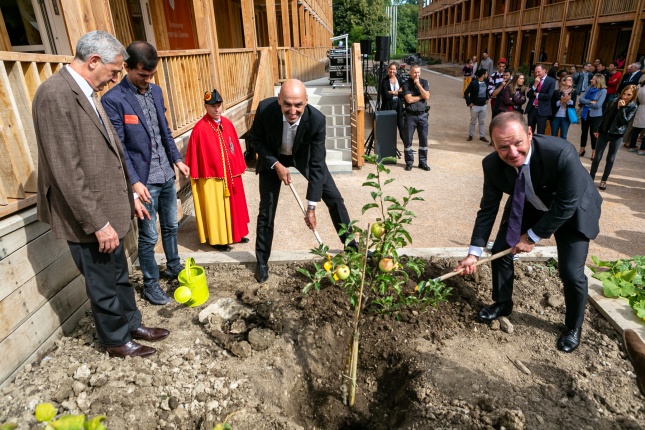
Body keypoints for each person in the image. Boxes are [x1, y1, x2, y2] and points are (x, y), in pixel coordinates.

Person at [32, 31, 170, 358]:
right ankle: (116, 340)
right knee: (102, 283)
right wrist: (96, 222)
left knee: (120, 273)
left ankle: (131, 323)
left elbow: (112, 150)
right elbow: (66, 170)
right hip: (86, 218)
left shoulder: (87, 92)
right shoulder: (55, 95)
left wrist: (130, 193)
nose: (116, 77)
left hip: (110, 206)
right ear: (93, 61)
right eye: (114, 70)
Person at [456, 112, 602, 353]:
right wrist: (474, 252)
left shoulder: (561, 152)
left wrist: (532, 236)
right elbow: (488, 209)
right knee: (502, 251)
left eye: (517, 143)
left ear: (530, 134)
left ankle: (573, 327)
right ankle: (503, 303)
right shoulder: (491, 165)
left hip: (573, 208)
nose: (512, 152)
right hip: (531, 204)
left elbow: (566, 203)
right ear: (493, 145)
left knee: (571, 273)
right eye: (503, 147)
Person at [102, 41, 190, 306]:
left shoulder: (156, 91)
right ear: (127, 67)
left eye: (151, 75)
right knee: (150, 235)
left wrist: (177, 159)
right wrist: (134, 182)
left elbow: (164, 130)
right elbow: (120, 149)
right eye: (142, 75)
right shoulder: (113, 100)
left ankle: (174, 266)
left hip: (165, 174)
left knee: (172, 226)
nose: (147, 80)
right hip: (144, 182)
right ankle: (151, 283)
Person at [247, 79, 354, 284]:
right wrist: (276, 164)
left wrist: (311, 207)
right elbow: (256, 139)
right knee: (266, 210)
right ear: (279, 100)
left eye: (298, 105)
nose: (292, 110)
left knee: (335, 199)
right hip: (273, 157)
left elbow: (316, 164)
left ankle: (351, 247)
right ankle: (262, 262)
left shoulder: (317, 120)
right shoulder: (264, 109)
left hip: (304, 158)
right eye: (287, 104)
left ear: (306, 101)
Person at [185, 89, 250, 250]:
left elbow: (233, 147)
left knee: (235, 203)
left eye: (219, 105)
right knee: (216, 207)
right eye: (212, 106)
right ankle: (218, 239)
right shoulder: (200, 129)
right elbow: (196, 156)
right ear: (206, 107)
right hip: (212, 177)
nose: (216, 109)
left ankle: (236, 233)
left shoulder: (227, 123)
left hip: (231, 175)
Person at [589, 85, 638, 190]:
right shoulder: (614, 100)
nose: (625, 96)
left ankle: (603, 180)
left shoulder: (633, 106)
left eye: (628, 95)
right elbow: (604, 115)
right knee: (597, 157)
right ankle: (590, 178)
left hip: (617, 135)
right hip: (603, 132)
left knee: (610, 159)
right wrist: (597, 128)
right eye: (624, 93)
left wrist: (622, 108)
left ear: (633, 96)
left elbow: (625, 122)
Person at [402, 64, 431, 171]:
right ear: (410, 73)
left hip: (423, 115)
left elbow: (427, 96)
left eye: (418, 72)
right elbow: (409, 100)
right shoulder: (406, 84)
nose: (416, 74)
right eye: (414, 72)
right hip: (410, 116)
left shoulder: (424, 82)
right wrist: (421, 97)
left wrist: (419, 85)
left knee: (423, 140)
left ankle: (423, 163)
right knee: (408, 140)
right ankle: (409, 162)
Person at [578, 74, 607, 159]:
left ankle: (594, 151)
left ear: (598, 80)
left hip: (595, 115)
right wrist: (591, 102)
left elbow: (598, 105)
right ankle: (582, 149)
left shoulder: (603, 91)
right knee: (584, 132)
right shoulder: (589, 88)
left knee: (593, 134)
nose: (591, 80)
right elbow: (581, 99)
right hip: (585, 113)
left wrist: (586, 103)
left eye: (593, 79)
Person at [379, 62, 407, 146]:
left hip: (398, 105)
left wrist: (392, 92)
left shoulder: (399, 79)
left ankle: (407, 146)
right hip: (388, 106)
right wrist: (398, 92)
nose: (392, 71)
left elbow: (404, 92)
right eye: (390, 69)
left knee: (401, 126)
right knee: (389, 127)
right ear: (388, 70)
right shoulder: (384, 81)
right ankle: (389, 146)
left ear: (396, 70)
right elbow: (386, 96)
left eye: (393, 69)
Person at [526, 64, 555, 134]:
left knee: (540, 132)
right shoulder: (533, 81)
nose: (537, 74)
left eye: (539, 72)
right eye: (535, 72)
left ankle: (538, 145)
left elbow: (549, 96)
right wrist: (535, 85)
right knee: (529, 131)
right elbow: (529, 95)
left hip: (543, 110)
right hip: (532, 109)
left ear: (544, 71)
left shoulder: (551, 81)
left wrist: (536, 94)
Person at [464, 68, 489, 141]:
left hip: (483, 105)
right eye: (486, 74)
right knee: (473, 121)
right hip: (475, 106)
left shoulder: (486, 82)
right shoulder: (473, 83)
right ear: (483, 74)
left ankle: (482, 136)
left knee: (482, 122)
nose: (487, 75)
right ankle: (471, 135)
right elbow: (466, 93)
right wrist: (469, 102)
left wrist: (487, 98)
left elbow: (486, 91)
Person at [550, 75, 577, 140]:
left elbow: (573, 105)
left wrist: (568, 100)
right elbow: (553, 104)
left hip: (566, 117)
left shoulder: (573, 92)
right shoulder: (556, 92)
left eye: (571, 80)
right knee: (554, 134)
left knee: (564, 136)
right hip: (556, 116)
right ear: (563, 82)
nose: (571, 81)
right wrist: (561, 101)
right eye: (568, 80)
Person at [626, 75, 645, 154]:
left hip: (640, 107)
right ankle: (642, 149)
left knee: (636, 129)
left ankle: (632, 146)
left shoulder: (640, 86)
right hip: (642, 107)